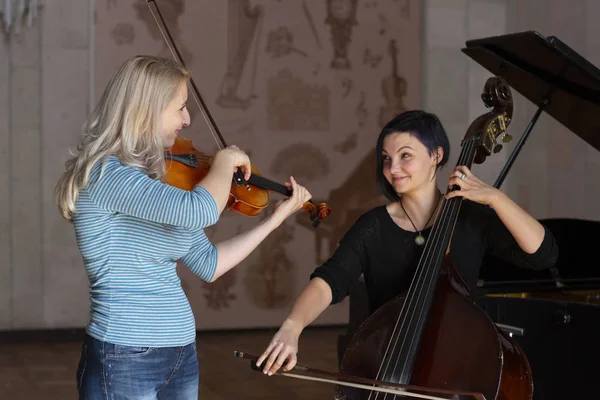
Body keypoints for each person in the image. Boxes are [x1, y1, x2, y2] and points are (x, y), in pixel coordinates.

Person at [54, 55, 312, 400]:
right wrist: (222, 163)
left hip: (180, 353)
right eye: (180, 108)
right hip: (124, 354)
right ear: (147, 110)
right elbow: (200, 211)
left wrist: (275, 218)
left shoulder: (160, 186)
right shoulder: (106, 175)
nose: (188, 120)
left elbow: (209, 264)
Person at [257, 109, 559, 376]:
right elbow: (329, 280)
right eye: (386, 159)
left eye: (405, 156)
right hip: (388, 365)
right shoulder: (373, 226)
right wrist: (292, 326)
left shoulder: (469, 219)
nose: (393, 169)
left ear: (436, 156)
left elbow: (541, 255)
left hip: (460, 364)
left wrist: (496, 198)